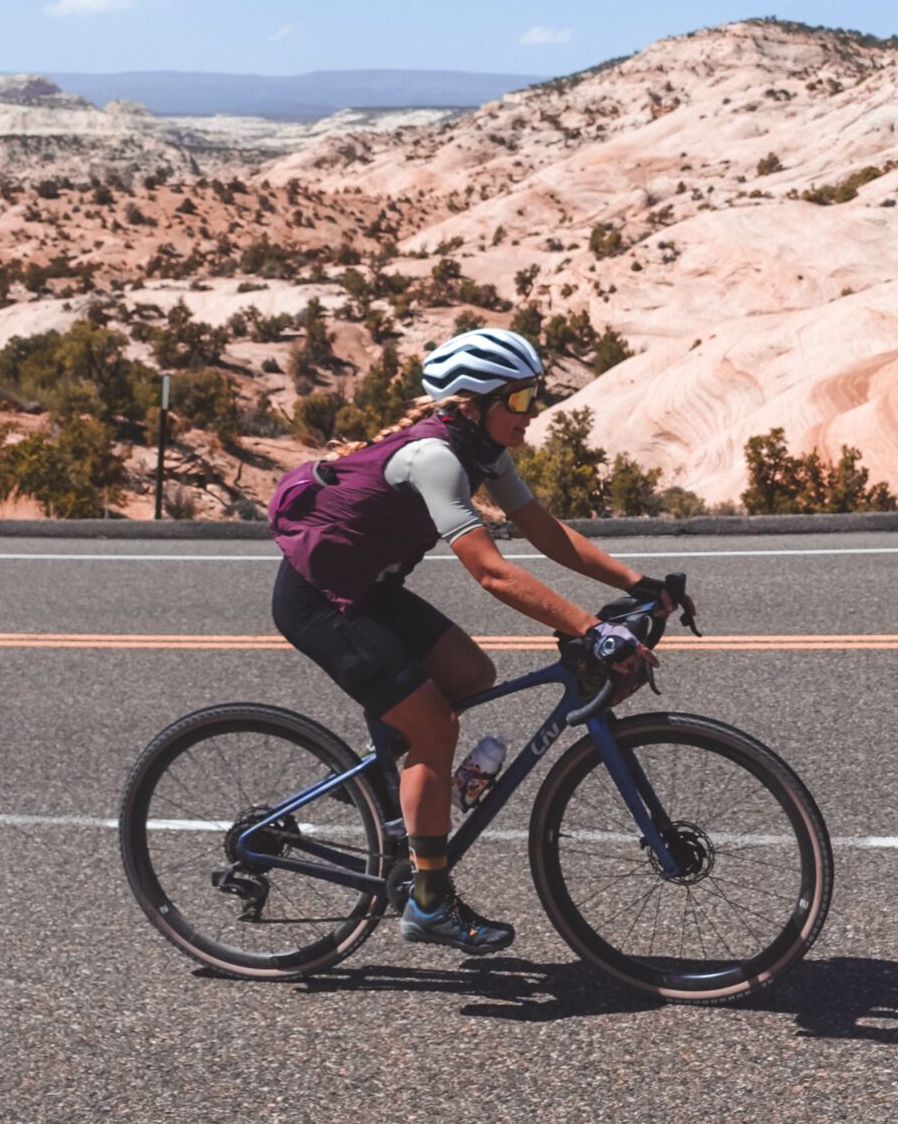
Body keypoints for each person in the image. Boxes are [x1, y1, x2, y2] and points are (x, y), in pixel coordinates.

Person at [268, 326, 672, 956]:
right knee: (433, 729)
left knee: (471, 675)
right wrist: (591, 629)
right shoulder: (435, 458)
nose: (530, 412)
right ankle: (430, 904)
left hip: (367, 591)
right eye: (517, 400)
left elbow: (544, 531)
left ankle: (404, 815)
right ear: (471, 403)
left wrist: (639, 582)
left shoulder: (485, 451)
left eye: (532, 396)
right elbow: (490, 571)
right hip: (321, 602)